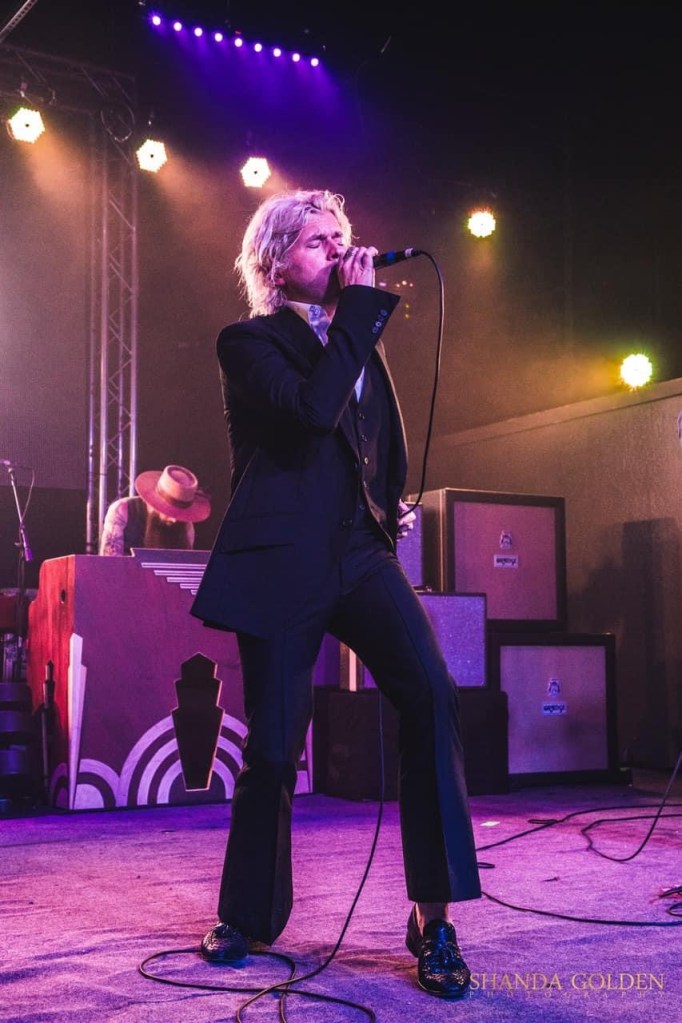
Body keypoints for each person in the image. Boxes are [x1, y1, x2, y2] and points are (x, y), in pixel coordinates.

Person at [190, 189, 481, 998]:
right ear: (276, 263)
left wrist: (387, 508)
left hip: (358, 553)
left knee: (431, 693)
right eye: (318, 240)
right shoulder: (248, 342)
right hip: (283, 560)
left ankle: (434, 918)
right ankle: (247, 913)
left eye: (341, 236)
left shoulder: (357, 341)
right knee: (275, 747)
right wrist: (356, 315)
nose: (340, 249)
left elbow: (374, 443)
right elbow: (312, 413)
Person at [98, 464, 211, 556]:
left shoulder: (185, 524)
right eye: (170, 512)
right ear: (157, 503)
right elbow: (110, 563)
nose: (174, 520)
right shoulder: (122, 510)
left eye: (179, 514)